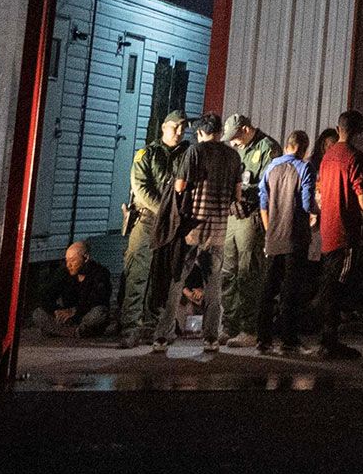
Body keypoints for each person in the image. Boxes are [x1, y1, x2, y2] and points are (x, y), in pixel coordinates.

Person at [151, 114, 252, 347]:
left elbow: (179, 186)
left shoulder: (194, 152)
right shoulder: (233, 156)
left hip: (192, 229)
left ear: (200, 133)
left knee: (176, 281)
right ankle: (211, 337)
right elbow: (237, 196)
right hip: (218, 230)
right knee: (214, 286)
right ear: (219, 131)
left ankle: (162, 335)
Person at [117, 109, 185, 345]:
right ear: (164, 128)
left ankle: (154, 325)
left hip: (170, 224)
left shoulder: (186, 154)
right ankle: (130, 328)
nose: (179, 131)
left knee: (161, 277)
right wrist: (166, 209)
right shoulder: (146, 154)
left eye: (182, 127)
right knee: (137, 275)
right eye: (175, 127)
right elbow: (141, 189)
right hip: (146, 221)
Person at [314, 108, 363, 359]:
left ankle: (327, 339)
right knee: (338, 287)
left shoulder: (327, 156)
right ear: (358, 130)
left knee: (330, 284)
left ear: (338, 128)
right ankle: (330, 341)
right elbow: (361, 193)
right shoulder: (355, 156)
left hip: (328, 230)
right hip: (346, 231)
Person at [215, 114, 274, 347]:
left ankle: (249, 328)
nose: (233, 142)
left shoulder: (267, 148)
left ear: (246, 129)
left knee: (248, 272)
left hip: (251, 216)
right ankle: (229, 325)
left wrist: (245, 195)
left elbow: (268, 185)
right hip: (232, 215)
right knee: (228, 271)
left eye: (236, 137)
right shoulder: (234, 151)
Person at [257, 129, 316, 356]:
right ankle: (289, 340)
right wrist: (315, 212)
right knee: (291, 290)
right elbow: (306, 203)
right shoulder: (304, 168)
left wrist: (269, 230)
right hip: (295, 238)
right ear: (304, 148)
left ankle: (263, 339)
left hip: (273, 238)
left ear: (286, 146)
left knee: (269, 288)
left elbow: (262, 202)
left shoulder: (271, 167)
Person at [34, 241, 114, 339]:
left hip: (84, 315)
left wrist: (75, 311)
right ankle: (75, 332)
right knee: (38, 313)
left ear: (86, 258)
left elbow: (99, 300)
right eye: (67, 261)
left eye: (73, 261)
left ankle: (63, 332)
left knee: (98, 314)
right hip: (68, 318)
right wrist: (55, 310)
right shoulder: (64, 272)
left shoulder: (100, 273)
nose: (69, 265)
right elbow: (46, 294)